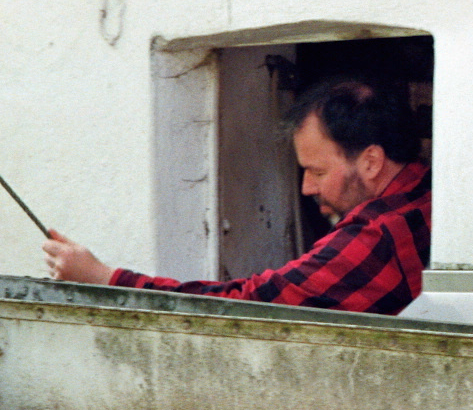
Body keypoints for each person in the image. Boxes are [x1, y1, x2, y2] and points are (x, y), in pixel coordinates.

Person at [43, 81, 430, 314]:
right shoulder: (428, 194)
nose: (306, 188)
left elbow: (246, 305)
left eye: (318, 171)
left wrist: (104, 278)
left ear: (372, 161)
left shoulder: (377, 236)